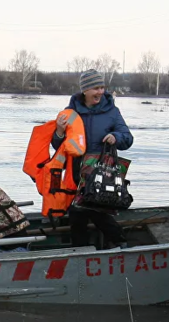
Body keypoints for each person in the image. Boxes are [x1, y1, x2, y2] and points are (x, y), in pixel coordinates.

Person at [51, 69, 134, 248]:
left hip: (102, 172)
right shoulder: (69, 113)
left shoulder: (112, 112)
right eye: (96, 88)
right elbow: (58, 147)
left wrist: (115, 137)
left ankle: (122, 245)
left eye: (102, 87)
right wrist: (58, 132)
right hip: (76, 173)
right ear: (85, 90)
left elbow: (127, 138)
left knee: (98, 211)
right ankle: (82, 253)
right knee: (76, 216)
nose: (100, 92)